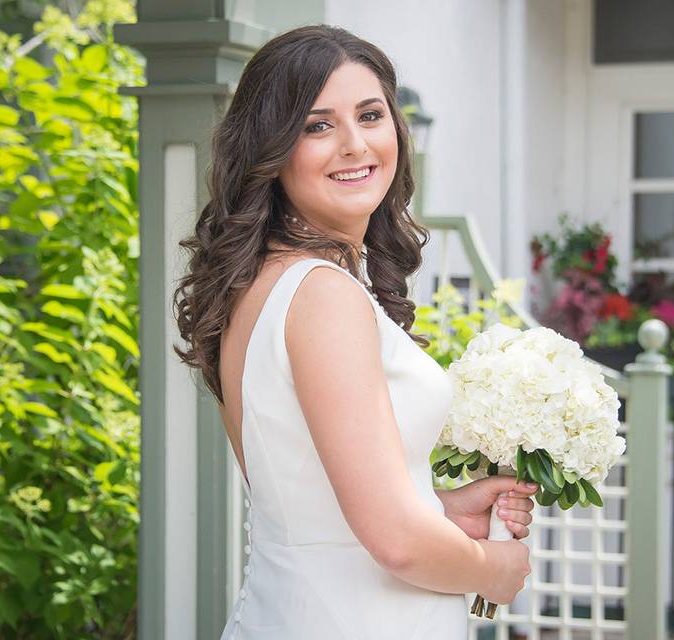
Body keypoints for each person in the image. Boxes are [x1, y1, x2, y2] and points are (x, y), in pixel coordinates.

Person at [172, 24, 535, 639]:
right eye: (317, 126)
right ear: (272, 149)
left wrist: (442, 509)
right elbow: (393, 542)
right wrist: (493, 569)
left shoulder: (260, 284)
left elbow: (315, 510)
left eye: (370, 115)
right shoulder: (323, 296)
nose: (354, 144)